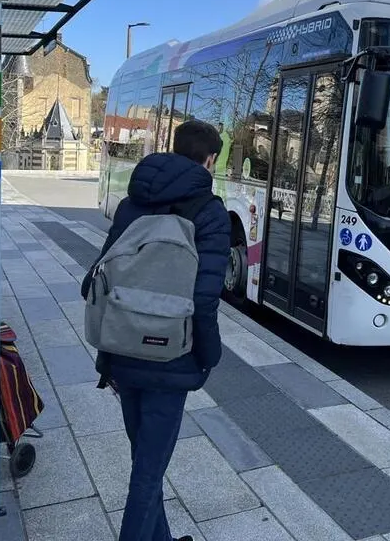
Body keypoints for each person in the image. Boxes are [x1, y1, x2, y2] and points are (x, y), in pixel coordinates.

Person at [86, 119, 230, 541]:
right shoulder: (210, 212)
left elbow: (97, 277)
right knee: (148, 474)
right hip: (171, 356)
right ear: (209, 160)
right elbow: (204, 301)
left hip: (122, 347)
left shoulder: (133, 202)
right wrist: (209, 356)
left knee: (146, 462)